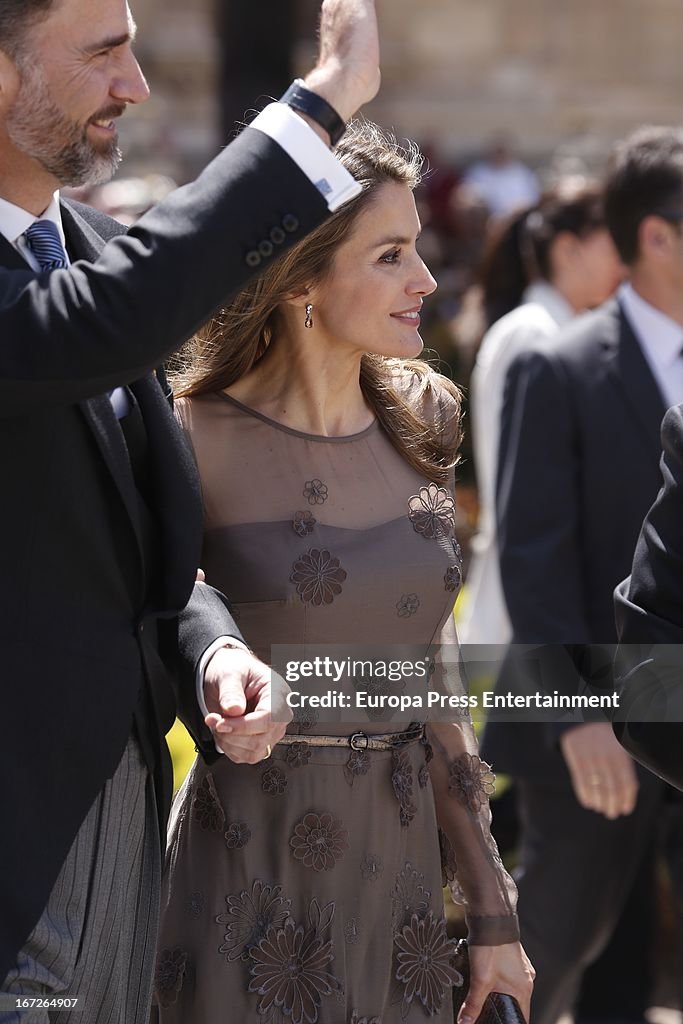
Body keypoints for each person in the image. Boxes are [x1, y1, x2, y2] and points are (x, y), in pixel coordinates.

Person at [0, 0, 381, 1020]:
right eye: (103, 53)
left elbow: (128, 551)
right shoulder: (106, 297)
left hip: (118, 823)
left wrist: (211, 650)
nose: (135, 85)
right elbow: (112, 319)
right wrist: (318, 104)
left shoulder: (82, 249)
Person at [153, 121, 534, 1024]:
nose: (426, 282)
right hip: (244, 856)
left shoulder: (425, 417)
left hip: (398, 865)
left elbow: (433, 677)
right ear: (297, 281)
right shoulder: (188, 434)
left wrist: (489, 904)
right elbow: (159, 621)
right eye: (391, 256)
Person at [484, 125, 683, 1024]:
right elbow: (532, 559)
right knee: (548, 956)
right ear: (656, 235)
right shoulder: (556, 365)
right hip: (587, 745)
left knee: (642, 976)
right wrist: (579, 715)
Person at [458, 184, 622, 653]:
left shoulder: (549, 330)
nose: (622, 260)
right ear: (569, 249)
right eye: (610, 240)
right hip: (528, 609)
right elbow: (525, 500)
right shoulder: (534, 335)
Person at [463, 135, 540, 221]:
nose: (499, 155)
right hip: (489, 217)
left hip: (517, 217)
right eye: (497, 151)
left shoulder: (522, 172)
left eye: (502, 151)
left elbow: (532, 198)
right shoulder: (479, 171)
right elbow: (469, 193)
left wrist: (518, 208)